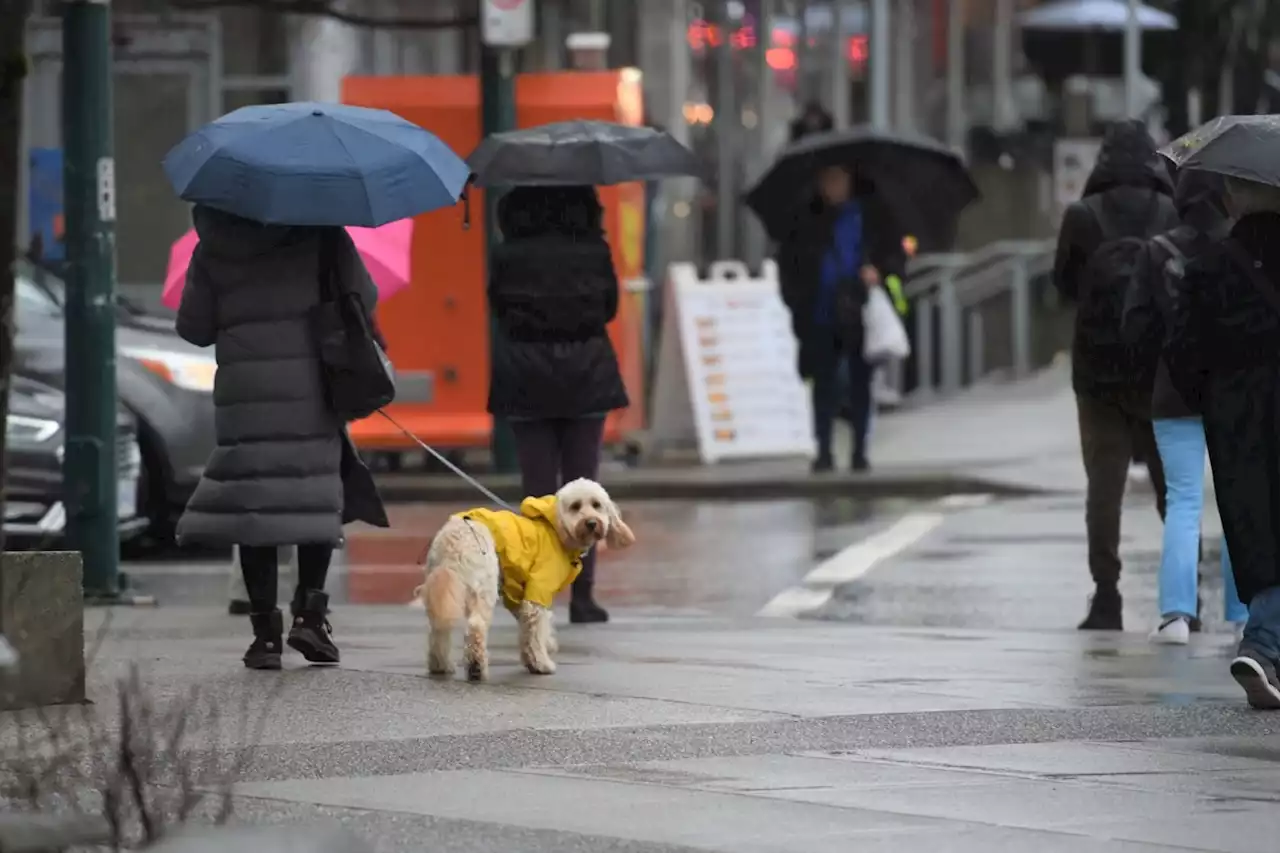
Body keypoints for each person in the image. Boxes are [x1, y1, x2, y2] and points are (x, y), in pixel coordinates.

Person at [176, 204, 389, 670]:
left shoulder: (214, 246)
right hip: (312, 385)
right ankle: (310, 617)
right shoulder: (323, 232)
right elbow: (364, 296)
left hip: (245, 392)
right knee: (311, 495)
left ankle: (264, 635)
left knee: (256, 505)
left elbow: (192, 327)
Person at [1053, 119, 1179, 631]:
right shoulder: (1170, 211)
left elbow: (1063, 286)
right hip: (1158, 375)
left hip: (1098, 377)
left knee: (1104, 489)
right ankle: (1181, 599)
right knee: (1177, 491)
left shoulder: (1082, 215)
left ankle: (1107, 596)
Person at [487, 186, 629, 624]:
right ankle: (583, 596)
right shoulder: (592, 249)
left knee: (538, 496)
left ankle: (537, 592)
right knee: (587, 489)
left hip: (526, 375)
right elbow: (609, 307)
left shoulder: (509, 253)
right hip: (586, 373)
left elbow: (499, 307)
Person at [1166, 177, 1280, 709]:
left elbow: (1182, 350)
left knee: (1254, 521)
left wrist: (1210, 395)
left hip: (1237, 413)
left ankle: (1264, 641)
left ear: (1232, 197)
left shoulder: (1208, 266)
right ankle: (1263, 643)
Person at [1123, 170, 1247, 644]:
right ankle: (1243, 615)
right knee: (1240, 499)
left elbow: (1134, 327)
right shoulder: (1239, 248)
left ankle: (1177, 615)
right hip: (1232, 392)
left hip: (1173, 393)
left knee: (1183, 501)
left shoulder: (1156, 252)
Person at [776, 164, 905, 473]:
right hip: (820, 311)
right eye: (827, 180)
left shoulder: (871, 215)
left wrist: (879, 272)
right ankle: (824, 450)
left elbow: (894, 256)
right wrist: (797, 304)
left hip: (859, 310)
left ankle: (860, 450)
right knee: (824, 383)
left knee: (861, 383)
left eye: (838, 180)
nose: (833, 187)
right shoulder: (805, 218)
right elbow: (790, 263)